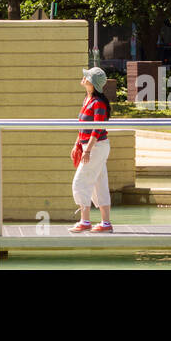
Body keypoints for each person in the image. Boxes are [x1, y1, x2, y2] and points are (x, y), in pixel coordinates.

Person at [70, 66, 113, 234]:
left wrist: (87, 150)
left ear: (92, 83)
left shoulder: (98, 103)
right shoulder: (87, 99)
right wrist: (77, 144)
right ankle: (106, 223)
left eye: (86, 77)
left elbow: (97, 129)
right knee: (99, 184)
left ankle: (85, 220)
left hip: (96, 147)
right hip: (92, 146)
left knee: (80, 182)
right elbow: (83, 127)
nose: (83, 78)